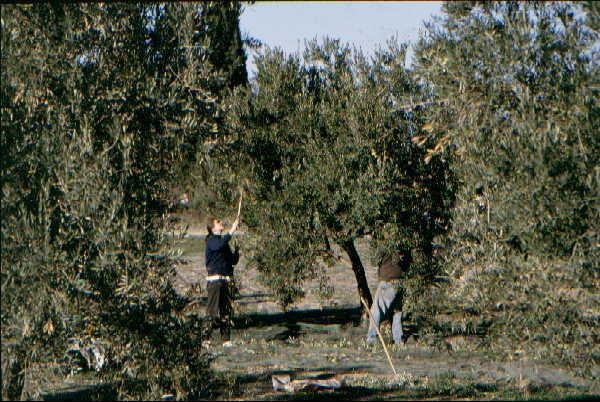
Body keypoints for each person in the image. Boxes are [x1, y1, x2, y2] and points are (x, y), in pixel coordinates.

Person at [203, 216, 240, 346]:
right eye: (218, 222)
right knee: (212, 311)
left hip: (225, 281)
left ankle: (226, 339)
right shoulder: (211, 240)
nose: (221, 223)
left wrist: (237, 252)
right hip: (214, 282)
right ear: (212, 228)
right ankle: (206, 339)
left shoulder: (222, 243)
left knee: (225, 311)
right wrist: (231, 231)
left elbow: (232, 261)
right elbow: (218, 246)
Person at [366, 247, 412, 345]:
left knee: (376, 310)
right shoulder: (404, 243)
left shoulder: (385, 245)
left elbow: (374, 260)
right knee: (396, 312)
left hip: (388, 282)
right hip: (400, 282)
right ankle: (399, 340)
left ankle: (372, 338)